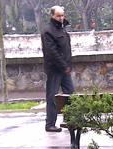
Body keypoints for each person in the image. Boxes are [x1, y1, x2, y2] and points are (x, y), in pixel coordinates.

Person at [41, 5, 75, 133]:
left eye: (62, 15)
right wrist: (64, 66)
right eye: (58, 16)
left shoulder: (62, 29)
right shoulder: (48, 31)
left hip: (65, 69)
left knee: (71, 94)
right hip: (55, 69)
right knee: (52, 97)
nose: (61, 18)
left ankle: (70, 120)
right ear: (52, 16)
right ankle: (50, 124)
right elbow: (52, 53)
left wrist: (68, 66)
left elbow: (65, 50)